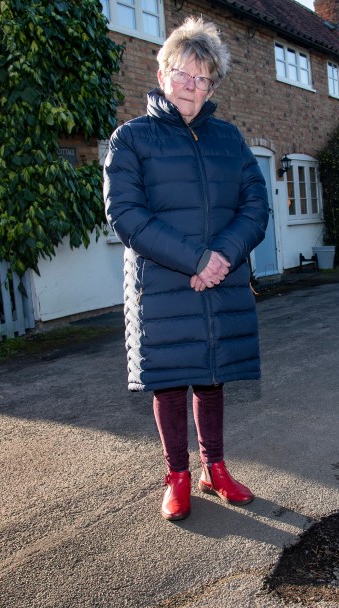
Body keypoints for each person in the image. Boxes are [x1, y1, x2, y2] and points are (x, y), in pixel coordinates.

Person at [103, 17, 270, 522]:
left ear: (213, 84)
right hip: (164, 283)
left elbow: (255, 206)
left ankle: (214, 468)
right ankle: (177, 476)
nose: (191, 87)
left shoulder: (230, 139)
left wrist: (221, 257)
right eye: (182, 74)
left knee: (213, 376)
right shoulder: (130, 139)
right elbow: (126, 215)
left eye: (203, 79)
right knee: (172, 379)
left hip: (220, 280)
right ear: (161, 72)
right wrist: (197, 260)